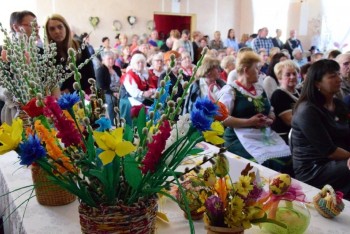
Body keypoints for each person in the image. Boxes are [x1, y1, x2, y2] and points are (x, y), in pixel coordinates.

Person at [219, 51, 291, 172]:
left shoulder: (259, 89)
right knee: (266, 164)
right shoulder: (231, 90)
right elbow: (222, 117)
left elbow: (271, 112)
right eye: (257, 68)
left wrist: (270, 119)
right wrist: (249, 122)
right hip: (239, 138)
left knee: (288, 158)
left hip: (263, 136)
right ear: (246, 70)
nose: (259, 72)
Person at [291, 59, 350, 198]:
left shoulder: (338, 105)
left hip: (337, 159)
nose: (339, 79)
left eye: (338, 74)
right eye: (332, 76)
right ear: (317, 83)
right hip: (314, 168)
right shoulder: (307, 110)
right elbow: (329, 151)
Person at [45, 14, 95, 94]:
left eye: (60, 27)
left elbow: (91, 75)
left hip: (84, 95)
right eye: (52, 29)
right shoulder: (49, 55)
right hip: (61, 100)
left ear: (66, 28)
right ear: (48, 33)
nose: (57, 31)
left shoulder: (80, 46)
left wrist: (69, 90)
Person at [119, 53, 154, 125]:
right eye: (138, 62)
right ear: (133, 64)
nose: (140, 64)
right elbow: (133, 92)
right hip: (128, 98)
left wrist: (151, 92)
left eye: (142, 62)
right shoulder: (129, 75)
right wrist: (144, 93)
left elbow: (149, 86)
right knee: (141, 108)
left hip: (140, 98)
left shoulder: (144, 74)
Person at [270, 60, 300, 144]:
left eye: (294, 74)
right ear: (279, 78)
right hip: (287, 137)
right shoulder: (278, 95)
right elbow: (290, 121)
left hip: (301, 133)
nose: (292, 77)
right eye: (288, 74)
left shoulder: (300, 91)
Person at [96, 51, 121, 126]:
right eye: (109, 59)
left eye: (112, 59)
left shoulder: (117, 68)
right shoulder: (100, 70)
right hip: (107, 92)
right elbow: (101, 86)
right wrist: (113, 92)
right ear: (103, 60)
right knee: (112, 100)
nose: (111, 60)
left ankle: (122, 119)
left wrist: (120, 91)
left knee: (125, 100)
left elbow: (122, 81)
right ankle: (113, 123)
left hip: (119, 90)